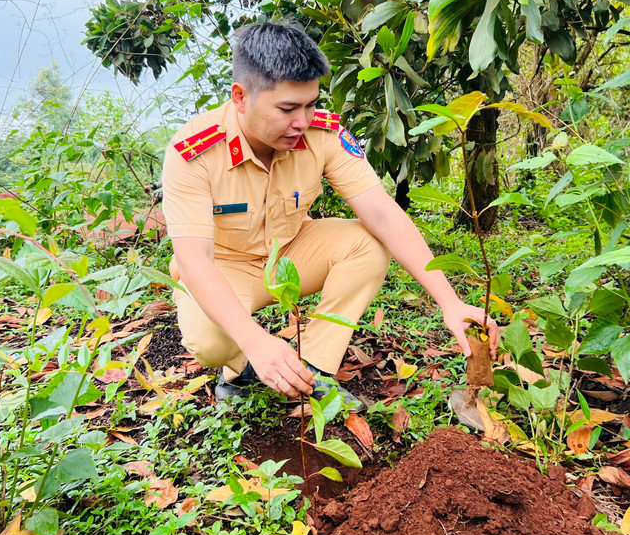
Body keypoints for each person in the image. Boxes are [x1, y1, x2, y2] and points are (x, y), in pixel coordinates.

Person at [162, 22, 496, 409]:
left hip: (290, 254)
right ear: (240, 97)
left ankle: (313, 369)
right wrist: (256, 342)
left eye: (310, 104)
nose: (302, 121)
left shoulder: (323, 135)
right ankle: (245, 368)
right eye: (287, 108)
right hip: (225, 267)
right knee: (209, 342)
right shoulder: (195, 152)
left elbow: (383, 215)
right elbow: (195, 260)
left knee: (369, 241)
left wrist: (450, 302)